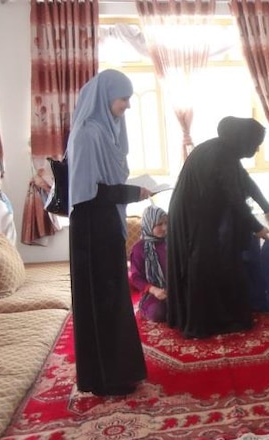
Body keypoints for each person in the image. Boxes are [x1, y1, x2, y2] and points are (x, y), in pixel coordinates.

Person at [68, 69, 150, 397]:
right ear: (106, 98)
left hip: (105, 227)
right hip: (92, 231)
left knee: (113, 300)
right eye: (124, 98)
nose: (127, 106)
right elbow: (90, 193)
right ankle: (107, 378)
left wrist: (130, 192)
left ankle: (117, 372)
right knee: (103, 301)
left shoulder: (106, 130)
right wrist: (134, 193)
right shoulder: (89, 134)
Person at [167, 116, 269, 338]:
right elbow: (235, 199)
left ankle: (219, 315)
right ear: (242, 139)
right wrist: (258, 229)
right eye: (254, 145)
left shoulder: (225, 149)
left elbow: (244, 180)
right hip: (193, 217)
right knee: (201, 266)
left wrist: (267, 207)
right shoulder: (220, 155)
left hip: (202, 213)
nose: (255, 150)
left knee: (217, 262)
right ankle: (202, 324)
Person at [129, 205, 168, 322]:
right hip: (153, 293)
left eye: (166, 223)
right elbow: (136, 278)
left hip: (176, 289)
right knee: (157, 313)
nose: (165, 228)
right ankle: (145, 309)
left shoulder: (173, 241)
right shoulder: (139, 248)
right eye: (159, 224)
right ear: (149, 224)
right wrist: (154, 290)